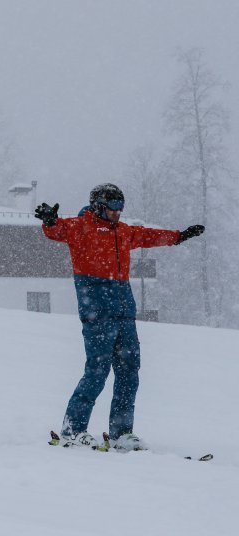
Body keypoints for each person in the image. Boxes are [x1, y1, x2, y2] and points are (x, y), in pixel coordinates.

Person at [35, 183, 205, 450]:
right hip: (97, 309)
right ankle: (73, 430)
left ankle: (122, 432)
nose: (118, 213)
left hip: (124, 310)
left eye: (121, 207)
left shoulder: (124, 232)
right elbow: (57, 230)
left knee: (129, 371)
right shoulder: (80, 227)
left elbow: (149, 236)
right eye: (113, 207)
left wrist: (178, 236)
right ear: (99, 206)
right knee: (97, 371)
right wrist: (49, 220)